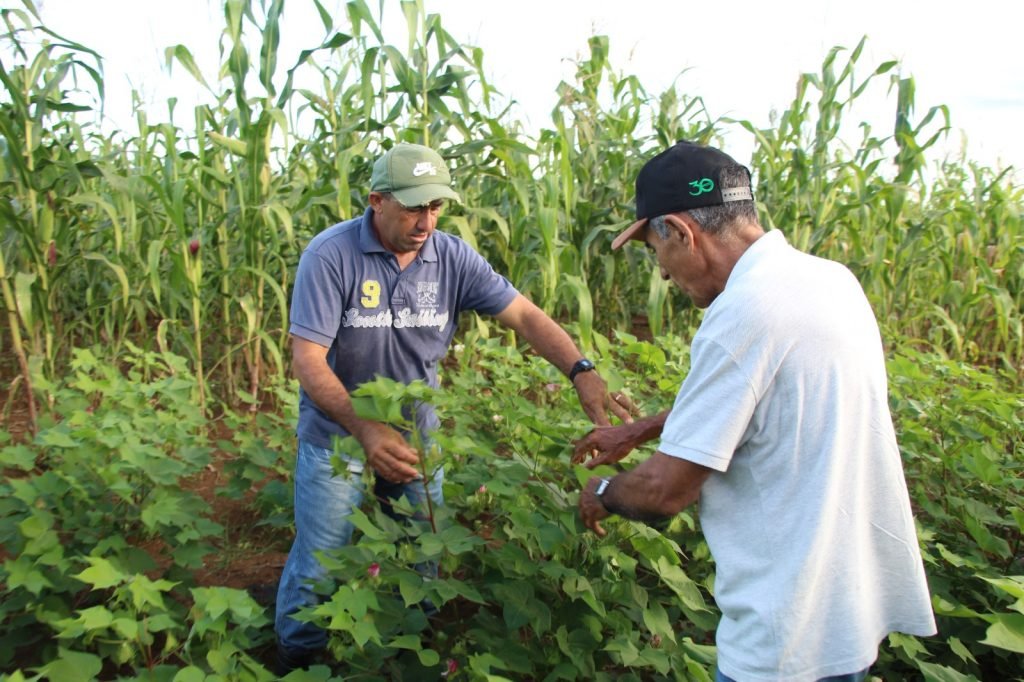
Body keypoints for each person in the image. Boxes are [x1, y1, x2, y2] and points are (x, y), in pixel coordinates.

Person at [575, 140, 936, 681]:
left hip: (783, 639)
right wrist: (646, 428)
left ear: (680, 230)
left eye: (655, 251)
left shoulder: (742, 314)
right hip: (845, 616)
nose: (665, 275)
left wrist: (601, 493)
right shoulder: (831, 280)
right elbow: (775, 401)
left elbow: (663, 493)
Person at [275, 142, 632, 673]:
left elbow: (526, 316)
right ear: (376, 200)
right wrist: (365, 428)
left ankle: (415, 649)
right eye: (414, 207)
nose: (426, 221)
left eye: (436, 206)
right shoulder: (331, 256)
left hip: (418, 435)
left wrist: (581, 371)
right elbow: (308, 360)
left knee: (426, 551)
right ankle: (298, 658)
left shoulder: (451, 256)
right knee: (321, 561)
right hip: (339, 436)